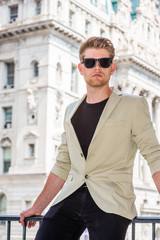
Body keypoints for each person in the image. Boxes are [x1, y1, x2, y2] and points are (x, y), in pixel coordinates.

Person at [19, 36, 160, 240]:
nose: (97, 67)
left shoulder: (133, 105)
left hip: (111, 201)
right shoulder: (70, 110)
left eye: (103, 62)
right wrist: (38, 206)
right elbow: (62, 164)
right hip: (70, 198)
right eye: (90, 62)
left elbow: (153, 155)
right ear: (81, 67)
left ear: (112, 68)